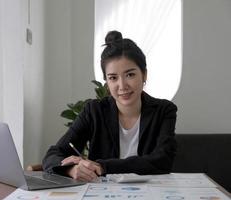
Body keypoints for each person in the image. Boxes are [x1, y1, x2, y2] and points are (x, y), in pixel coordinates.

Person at [42, 30, 177, 182]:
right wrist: (71, 169)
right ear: (107, 81)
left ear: (144, 74)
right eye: (113, 78)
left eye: (130, 75)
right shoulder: (93, 111)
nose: (122, 85)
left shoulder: (164, 110)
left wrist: (103, 166)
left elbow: (162, 161)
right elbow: (53, 154)